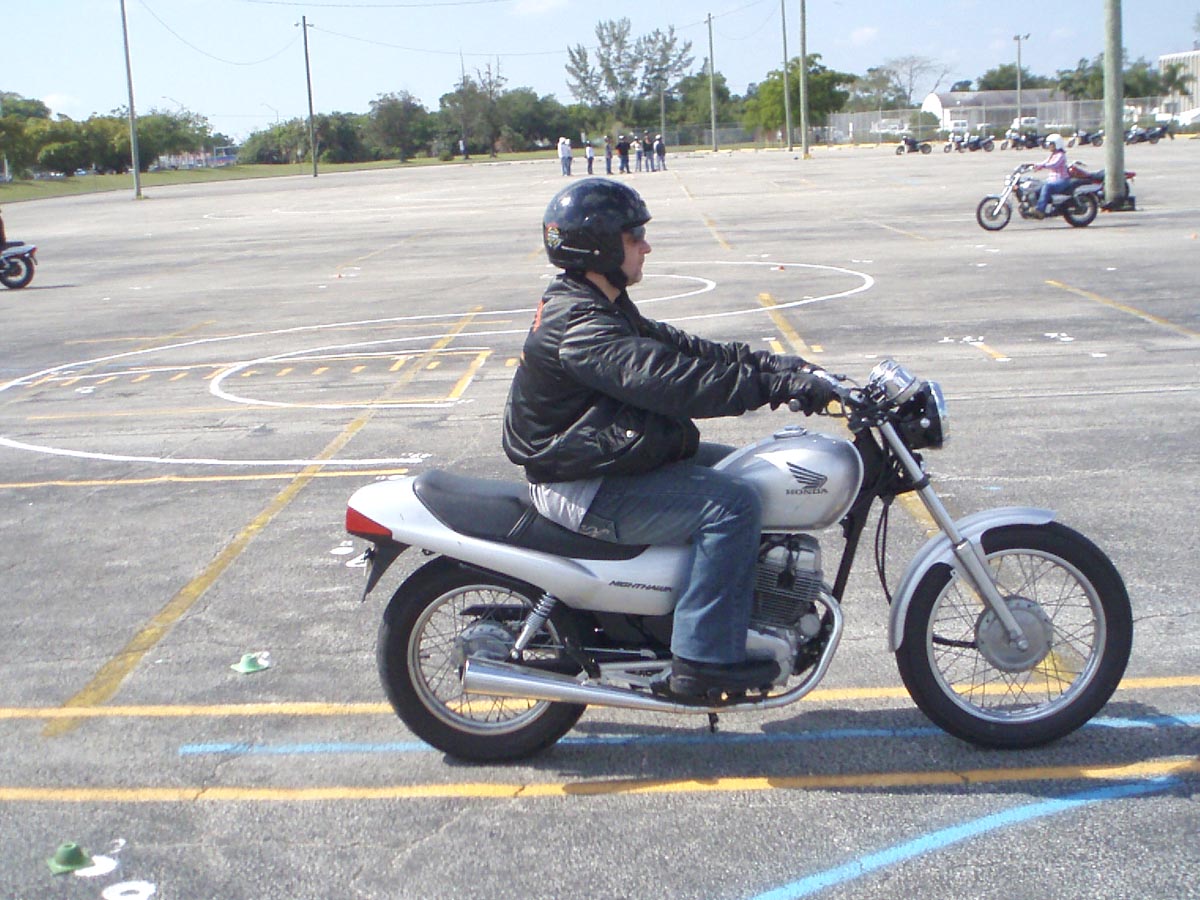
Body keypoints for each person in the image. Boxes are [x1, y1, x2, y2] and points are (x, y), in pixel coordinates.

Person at [503, 178, 837, 700]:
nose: (646, 246)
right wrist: (771, 388)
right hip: (582, 482)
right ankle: (702, 660)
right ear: (599, 246)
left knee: (751, 470)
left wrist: (775, 366)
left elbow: (680, 349)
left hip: (600, 456)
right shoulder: (583, 324)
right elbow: (671, 380)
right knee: (731, 505)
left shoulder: (596, 303)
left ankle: (739, 615)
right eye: (634, 236)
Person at [1032, 133, 1071, 218]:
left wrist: (1042, 166)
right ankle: (1036, 206)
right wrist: (1034, 165)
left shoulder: (1060, 155)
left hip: (1062, 180)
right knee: (1036, 187)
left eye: (1051, 144)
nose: (1049, 146)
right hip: (1052, 180)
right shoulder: (1053, 154)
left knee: (1047, 187)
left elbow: (1054, 164)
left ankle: (1040, 210)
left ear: (1057, 144)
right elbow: (1045, 162)